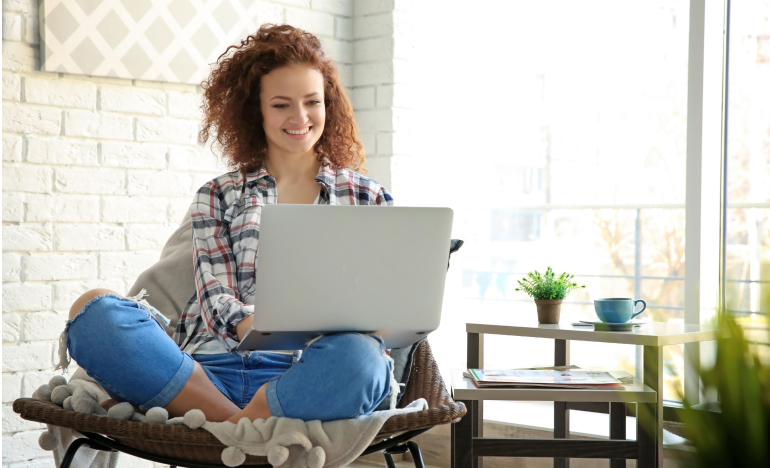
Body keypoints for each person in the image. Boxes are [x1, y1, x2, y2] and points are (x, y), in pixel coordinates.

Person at [63, 24, 396, 424]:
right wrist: (255, 324)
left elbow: (381, 307)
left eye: (313, 101)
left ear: (329, 104)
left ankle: (230, 426)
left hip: (309, 373)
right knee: (93, 311)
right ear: (255, 110)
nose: (300, 117)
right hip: (208, 372)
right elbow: (216, 296)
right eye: (280, 104)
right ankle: (246, 426)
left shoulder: (367, 197)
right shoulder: (218, 194)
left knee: (363, 359)